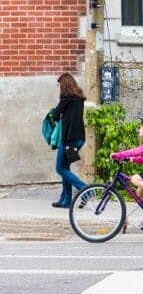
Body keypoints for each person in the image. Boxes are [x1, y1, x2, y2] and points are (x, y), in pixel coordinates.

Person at [51, 73, 87, 208]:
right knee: (65, 168)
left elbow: (55, 114)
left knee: (60, 168)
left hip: (69, 139)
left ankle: (84, 189)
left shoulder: (66, 98)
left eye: (59, 85)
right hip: (79, 138)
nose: (58, 87)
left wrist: (55, 113)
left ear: (64, 85)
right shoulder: (78, 98)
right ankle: (66, 200)